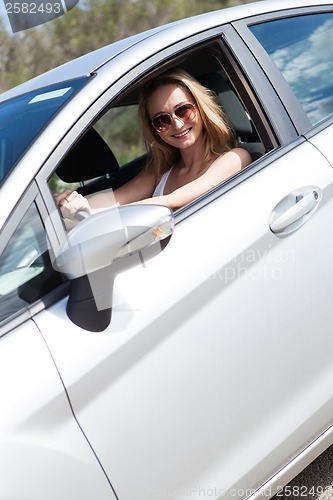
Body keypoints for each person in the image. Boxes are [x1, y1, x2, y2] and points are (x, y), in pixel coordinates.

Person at [55, 69, 251, 219]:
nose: (176, 123)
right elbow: (114, 200)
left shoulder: (235, 158)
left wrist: (90, 213)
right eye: (162, 120)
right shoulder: (159, 172)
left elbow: (171, 202)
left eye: (183, 110)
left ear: (201, 108)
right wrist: (73, 203)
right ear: (154, 129)